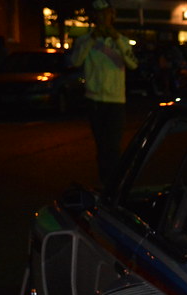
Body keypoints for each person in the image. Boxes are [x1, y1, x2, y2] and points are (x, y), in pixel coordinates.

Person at [69, 0, 138, 188]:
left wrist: (116, 39)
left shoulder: (122, 41)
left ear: (112, 16)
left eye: (106, 14)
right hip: (94, 99)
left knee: (113, 146)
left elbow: (133, 63)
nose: (102, 18)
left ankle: (114, 184)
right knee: (101, 145)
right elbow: (75, 61)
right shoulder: (84, 40)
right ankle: (104, 182)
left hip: (116, 101)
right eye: (99, 14)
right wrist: (92, 39)